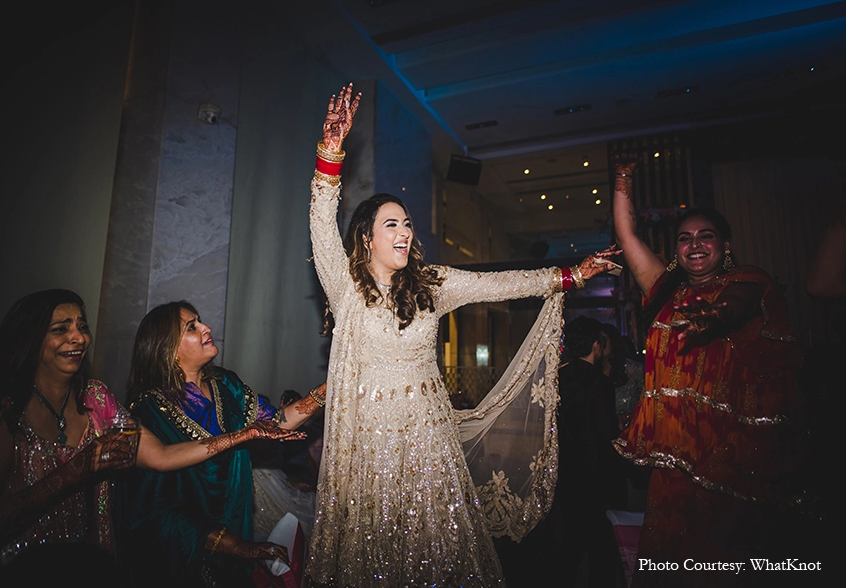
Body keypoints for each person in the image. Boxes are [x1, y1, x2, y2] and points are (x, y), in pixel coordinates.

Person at [305, 83, 620, 587]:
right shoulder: (345, 288)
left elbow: (500, 284)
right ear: (366, 237)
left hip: (428, 441)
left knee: (436, 550)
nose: (404, 231)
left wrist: (571, 276)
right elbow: (322, 222)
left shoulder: (432, 284)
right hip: (368, 448)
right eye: (391, 224)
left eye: (407, 223)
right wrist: (331, 151)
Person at [0, 289, 291, 586]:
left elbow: (161, 456)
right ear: (29, 339)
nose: (78, 337)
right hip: (18, 573)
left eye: (82, 326)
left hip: (87, 568)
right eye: (61, 329)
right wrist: (74, 472)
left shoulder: (96, 400)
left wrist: (241, 435)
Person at [610, 158, 807, 586]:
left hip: (729, 456)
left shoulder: (749, 281)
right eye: (685, 238)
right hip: (673, 455)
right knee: (672, 560)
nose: (694, 245)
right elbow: (627, 236)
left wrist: (715, 317)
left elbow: (736, 305)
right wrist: (623, 177)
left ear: (725, 245)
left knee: (725, 560)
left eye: (706, 236)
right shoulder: (665, 290)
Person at [121, 300, 327, 587]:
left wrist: (325, 391)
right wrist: (236, 546)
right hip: (181, 549)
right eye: (191, 327)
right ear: (168, 349)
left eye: (200, 321)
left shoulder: (226, 384)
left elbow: (276, 423)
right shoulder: (149, 409)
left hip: (234, 517)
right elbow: (154, 504)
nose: (206, 328)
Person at [551, 316, 625, 587]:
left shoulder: (558, 379)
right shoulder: (600, 382)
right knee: (599, 545)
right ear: (596, 345)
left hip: (567, 469)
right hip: (596, 472)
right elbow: (607, 433)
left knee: (572, 538)